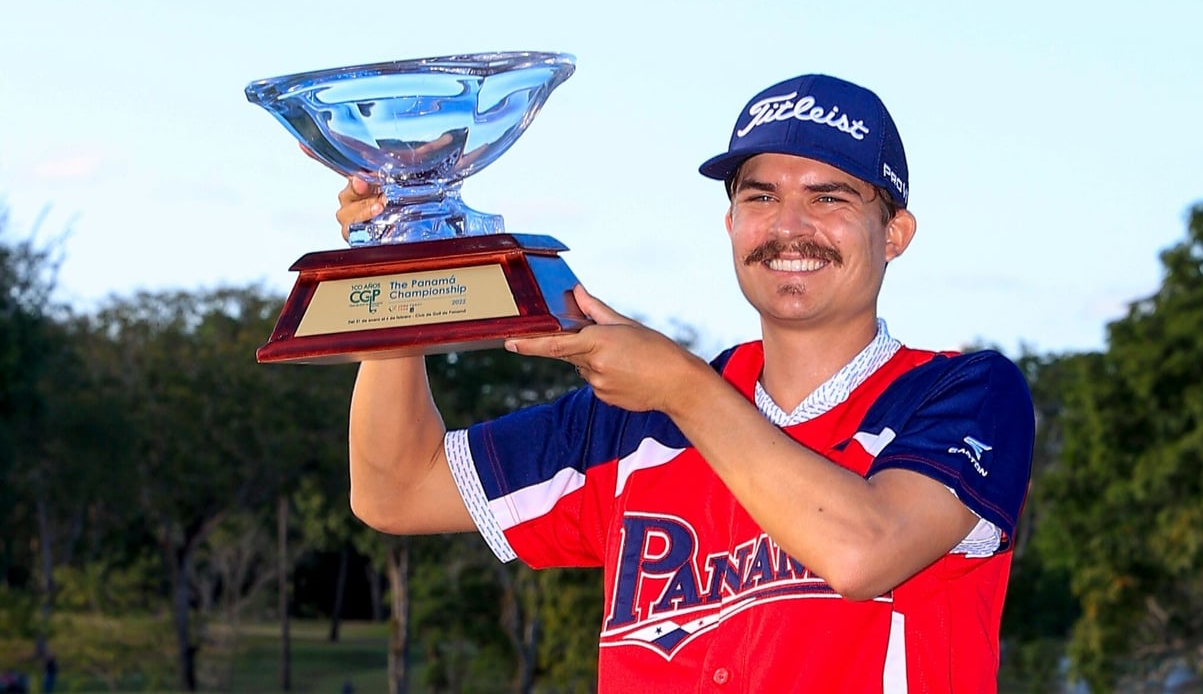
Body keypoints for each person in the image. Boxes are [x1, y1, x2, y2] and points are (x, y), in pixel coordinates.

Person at [337, 73, 1035, 692]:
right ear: (731, 224)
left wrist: (681, 388)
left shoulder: (966, 393)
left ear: (895, 233)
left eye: (829, 197)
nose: (789, 226)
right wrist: (399, 269)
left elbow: (863, 553)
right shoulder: (634, 420)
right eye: (761, 196)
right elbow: (396, 489)